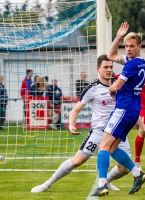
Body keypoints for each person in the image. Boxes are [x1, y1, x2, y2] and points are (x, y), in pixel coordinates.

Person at [31, 54, 131, 193]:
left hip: (118, 132)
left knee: (124, 168)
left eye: (111, 67)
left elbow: (129, 105)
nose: (109, 70)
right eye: (105, 67)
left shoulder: (119, 84)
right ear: (98, 69)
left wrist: (141, 124)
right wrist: (72, 124)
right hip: (99, 132)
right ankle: (47, 184)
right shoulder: (92, 88)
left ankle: (105, 181)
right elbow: (76, 109)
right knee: (77, 161)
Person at [91, 22, 145, 197]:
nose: (127, 49)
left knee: (103, 147)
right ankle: (137, 173)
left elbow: (115, 87)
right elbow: (111, 55)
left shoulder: (130, 66)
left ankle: (102, 184)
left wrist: (112, 89)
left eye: (131, 46)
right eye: (126, 46)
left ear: (139, 47)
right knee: (111, 148)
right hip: (132, 111)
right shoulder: (139, 62)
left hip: (123, 110)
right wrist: (118, 36)